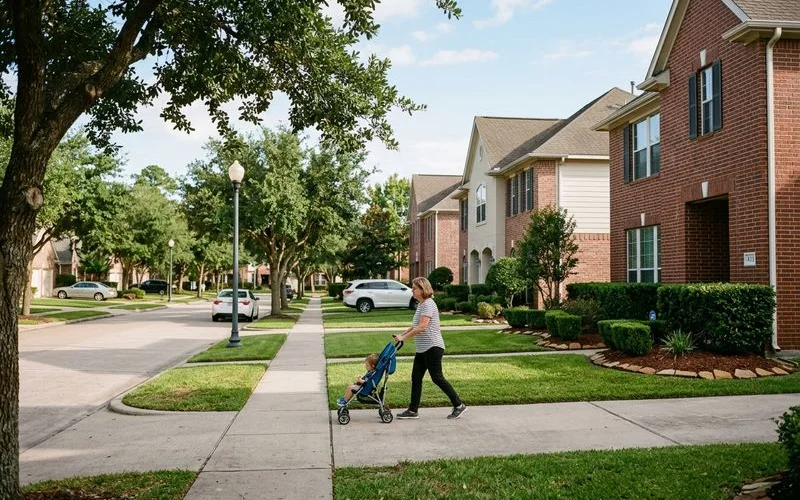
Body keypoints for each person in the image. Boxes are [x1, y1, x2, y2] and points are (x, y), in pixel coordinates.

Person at [393, 277, 467, 420]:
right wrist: (401, 335)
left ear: (422, 289)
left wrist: (404, 338)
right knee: (416, 378)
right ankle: (413, 410)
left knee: (437, 378)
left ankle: (459, 405)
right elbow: (415, 325)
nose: (412, 290)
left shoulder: (428, 304)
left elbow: (422, 326)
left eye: (414, 288)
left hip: (433, 347)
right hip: (422, 349)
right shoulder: (421, 305)